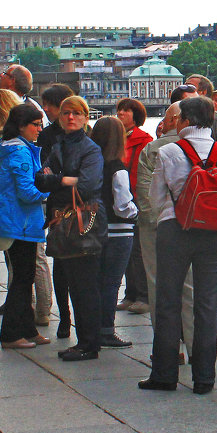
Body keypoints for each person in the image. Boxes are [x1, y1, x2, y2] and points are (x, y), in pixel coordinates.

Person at [141, 97, 217, 395]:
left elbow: (156, 197)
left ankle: (165, 374)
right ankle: (204, 378)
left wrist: (171, 215)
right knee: (207, 304)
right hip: (215, 233)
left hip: (175, 231)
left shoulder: (169, 151)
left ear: (183, 121)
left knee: (168, 300)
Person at [35, 95, 104, 362]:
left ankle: (90, 342)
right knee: (72, 283)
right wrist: (64, 179)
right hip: (62, 221)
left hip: (84, 222)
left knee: (85, 286)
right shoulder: (58, 145)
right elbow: (40, 179)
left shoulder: (90, 149)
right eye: (65, 113)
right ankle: (82, 340)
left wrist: (58, 178)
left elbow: (87, 185)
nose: (70, 117)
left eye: (76, 113)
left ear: (86, 117)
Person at [0, 103, 51, 349]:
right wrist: (54, 185)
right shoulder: (19, 152)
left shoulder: (12, 147)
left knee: (25, 276)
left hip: (17, 222)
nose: (40, 129)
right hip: (18, 222)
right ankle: (10, 334)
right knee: (21, 279)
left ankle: (28, 330)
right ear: (22, 126)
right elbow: (27, 192)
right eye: (36, 125)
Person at [135, 102, 196, 366]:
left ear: (172, 120)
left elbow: (144, 188)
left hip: (158, 225)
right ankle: (196, 349)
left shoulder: (153, 148)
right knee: (190, 289)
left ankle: (168, 349)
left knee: (157, 284)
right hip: (192, 226)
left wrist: (153, 221)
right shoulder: (209, 148)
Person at [90, 116, 138, 349]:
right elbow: (123, 205)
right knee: (111, 283)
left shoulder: (91, 164)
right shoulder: (118, 168)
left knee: (96, 281)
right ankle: (107, 330)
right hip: (119, 231)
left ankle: (92, 328)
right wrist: (136, 212)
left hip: (95, 228)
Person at [37, 84, 75, 336]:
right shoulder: (47, 136)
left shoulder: (87, 137)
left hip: (82, 206)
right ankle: (64, 315)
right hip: (59, 207)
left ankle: (81, 317)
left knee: (83, 263)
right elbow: (44, 175)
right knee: (60, 263)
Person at [115, 98, 154, 315]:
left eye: (126, 111)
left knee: (138, 249)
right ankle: (130, 294)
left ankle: (143, 295)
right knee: (126, 248)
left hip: (135, 198)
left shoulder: (143, 140)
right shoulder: (118, 137)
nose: (121, 114)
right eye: (120, 110)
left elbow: (140, 171)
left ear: (135, 115)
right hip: (121, 196)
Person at [184, 74, 217, 140]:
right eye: (184, 86)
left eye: (190, 87)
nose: (184, 90)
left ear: (203, 92)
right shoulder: (178, 115)